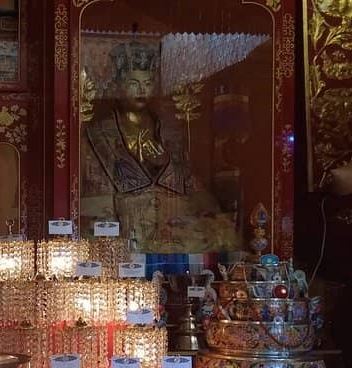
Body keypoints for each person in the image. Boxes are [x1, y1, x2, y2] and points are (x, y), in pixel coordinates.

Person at [82, 41, 238, 253]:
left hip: (169, 221)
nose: (141, 90)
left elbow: (188, 183)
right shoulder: (98, 133)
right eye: (133, 83)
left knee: (220, 234)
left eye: (147, 83)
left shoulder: (168, 131)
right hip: (122, 219)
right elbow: (95, 187)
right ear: (118, 85)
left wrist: (165, 164)